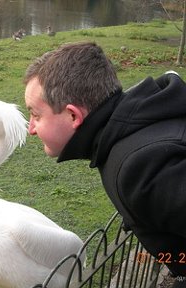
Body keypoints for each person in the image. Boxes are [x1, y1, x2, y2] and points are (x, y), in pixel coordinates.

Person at [24, 41, 186, 287]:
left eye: (36, 115)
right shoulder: (144, 114)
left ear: (73, 115)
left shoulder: (140, 167)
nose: (31, 129)